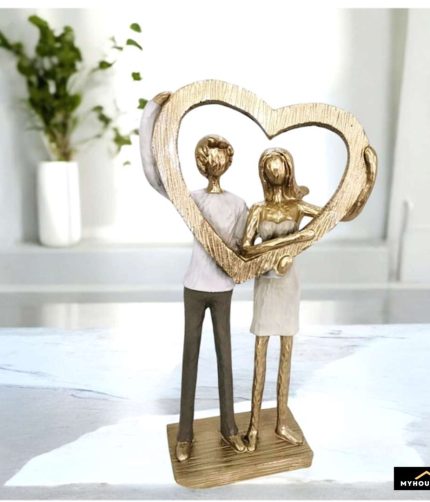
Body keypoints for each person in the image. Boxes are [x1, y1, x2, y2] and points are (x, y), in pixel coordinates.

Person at [240, 145, 376, 452]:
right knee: (260, 353)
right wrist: (292, 240)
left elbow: (339, 215)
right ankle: (253, 426)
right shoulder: (258, 209)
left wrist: (367, 182)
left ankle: (281, 422)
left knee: (286, 352)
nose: (275, 170)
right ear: (263, 172)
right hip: (266, 284)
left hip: (288, 284)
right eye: (269, 165)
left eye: (279, 164)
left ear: (288, 169)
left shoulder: (298, 207)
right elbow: (246, 249)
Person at [139, 93, 248, 462]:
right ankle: (185, 434)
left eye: (219, 156)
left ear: (228, 161)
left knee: (225, 357)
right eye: (208, 156)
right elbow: (156, 176)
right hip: (195, 286)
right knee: (190, 358)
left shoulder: (237, 203)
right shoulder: (192, 199)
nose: (213, 162)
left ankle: (228, 428)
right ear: (201, 162)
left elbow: (244, 246)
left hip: (223, 288)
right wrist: (152, 114)